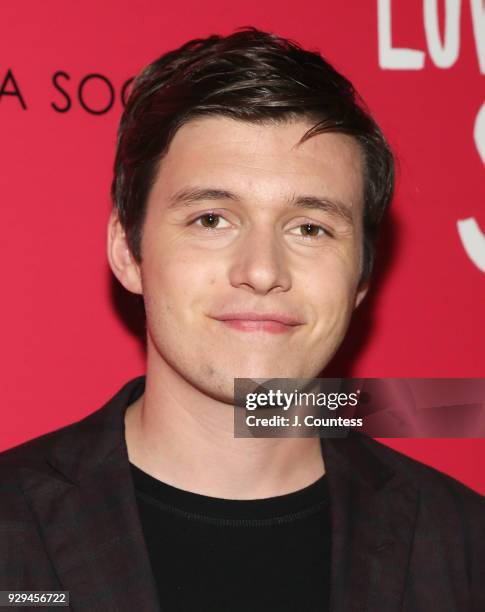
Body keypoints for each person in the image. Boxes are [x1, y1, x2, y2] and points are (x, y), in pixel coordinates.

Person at [0, 28, 484, 612]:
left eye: (310, 228)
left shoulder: (463, 547)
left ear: (360, 279)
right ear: (128, 251)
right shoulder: (12, 529)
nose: (261, 271)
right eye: (211, 219)